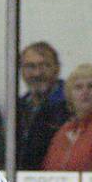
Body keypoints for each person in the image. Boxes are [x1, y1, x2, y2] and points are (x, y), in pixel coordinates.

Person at [17, 42, 70, 170]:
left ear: (57, 68)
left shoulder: (70, 106)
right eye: (30, 66)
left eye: (44, 66)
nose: (37, 73)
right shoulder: (18, 107)